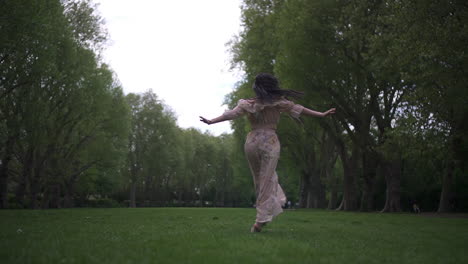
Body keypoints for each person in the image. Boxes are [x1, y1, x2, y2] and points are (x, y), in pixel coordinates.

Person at [200, 73, 336, 232]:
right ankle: (261, 219)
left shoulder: (248, 104)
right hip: (269, 142)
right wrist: (321, 114)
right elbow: (300, 110)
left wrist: (211, 121)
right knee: (267, 179)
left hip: (251, 143)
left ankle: (265, 213)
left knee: (260, 179)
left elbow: (230, 114)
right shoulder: (278, 103)